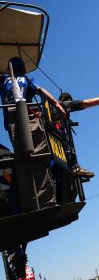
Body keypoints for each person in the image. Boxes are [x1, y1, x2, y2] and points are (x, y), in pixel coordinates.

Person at [0, 57, 66, 208]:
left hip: (20, 120)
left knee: (30, 157)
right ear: (21, 67)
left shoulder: (8, 80)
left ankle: (39, 201)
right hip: (20, 121)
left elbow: (39, 90)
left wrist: (55, 104)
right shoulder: (21, 79)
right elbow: (41, 90)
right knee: (34, 158)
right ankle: (40, 201)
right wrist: (56, 104)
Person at [58, 91, 99, 177]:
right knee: (67, 144)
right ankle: (74, 167)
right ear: (68, 99)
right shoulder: (66, 104)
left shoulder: (52, 105)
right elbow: (88, 102)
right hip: (61, 135)